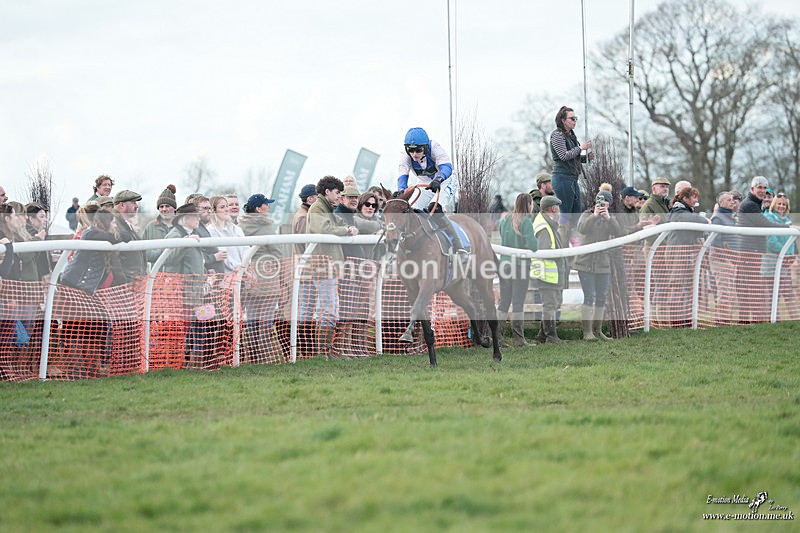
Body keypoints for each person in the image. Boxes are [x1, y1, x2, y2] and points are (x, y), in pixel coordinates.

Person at [397, 127, 468, 263]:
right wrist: (401, 190)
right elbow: (402, 175)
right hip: (425, 183)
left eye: (418, 150)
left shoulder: (434, 147)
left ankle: (459, 247)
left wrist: (438, 179)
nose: (414, 154)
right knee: (414, 212)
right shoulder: (405, 155)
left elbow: (446, 167)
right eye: (411, 150)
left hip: (445, 181)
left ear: (425, 147)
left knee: (435, 209)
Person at [306, 175, 359, 358]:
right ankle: (323, 352)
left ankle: (327, 350)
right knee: (327, 309)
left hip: (330, 266)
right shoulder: (317, 208)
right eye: (337, 193)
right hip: (323, 266)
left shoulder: (327, 208)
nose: (339, 197)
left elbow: (340, 223)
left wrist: (347, 228)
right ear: (327, 192)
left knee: (331, 309)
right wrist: (346, 230)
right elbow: (324, 229)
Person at [238, 193, 287, 360]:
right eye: (266, 204)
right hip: (268, 275)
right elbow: (277, 253)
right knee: (266, 320)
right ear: (259, 209)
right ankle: (265, 355)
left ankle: (252, 355)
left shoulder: (240, 226)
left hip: (249, 274)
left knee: (251, 319)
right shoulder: (266, 226)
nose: (269, 207)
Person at [162, 203, 211, 367]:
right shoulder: (175, 235)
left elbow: (195, 261)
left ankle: (189, 362)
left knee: (194, 326)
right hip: (182, 292)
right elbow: (169, 259)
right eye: (195, 216)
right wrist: (185, 242)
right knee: (182, 328)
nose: (199, 218)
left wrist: (206, 273)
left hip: (194, 290)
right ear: (185, 218)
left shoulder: (191, 234)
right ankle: (177, 362)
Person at [574, 184, 623, 340]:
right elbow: (581, 228)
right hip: (585, 262)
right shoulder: (586, 214)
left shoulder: (610, 218)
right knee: (589, 296)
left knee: (601, 297)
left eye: (606, 203)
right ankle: (587, 332)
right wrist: (594, 216)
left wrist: (608, 218)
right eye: (601, 202)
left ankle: (598, 331)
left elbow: (618, 232)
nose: (603, 206)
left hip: (603, 263)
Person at [663, 187, 709, 326]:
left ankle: (686, 319)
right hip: (677, 253)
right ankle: (676, 321)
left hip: (686, 253)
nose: (696, 200)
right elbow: (692, 220)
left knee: (688, 287)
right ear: (685, 198)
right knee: (677, 286)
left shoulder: (687, 211)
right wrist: (704, 219)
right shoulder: (678, 211)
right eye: (694, 197)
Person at [497, 193, 538, 347]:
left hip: (504, 264)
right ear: (528, 204)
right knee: (518, 303)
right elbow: (532, 246)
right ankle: (519, 339)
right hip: (520, 266)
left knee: (504, 302)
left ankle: (498, 337)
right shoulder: (526, 221)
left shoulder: (505, 219)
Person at [549, 106, 593, 248]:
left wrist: (585, 158)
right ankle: (562, 245)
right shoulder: (557, 135)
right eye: (572, 118)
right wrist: (580, 148)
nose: (575, 121)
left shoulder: (571, 136)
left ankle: (574, 242)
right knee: (565, 214)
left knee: (576, 212)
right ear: (563, 120)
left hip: (573, 178)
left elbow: (573, 158)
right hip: (562, 178)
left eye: (576, 118)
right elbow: (563, 156)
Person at [532, 195, 569, 344]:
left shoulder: (546, 223)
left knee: (554, 303)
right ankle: (551, 336)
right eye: (557, 208)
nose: (559, 211)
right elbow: (544, 251)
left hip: (551, 273)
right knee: (550, 305)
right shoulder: (544, 227)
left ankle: (542, 336)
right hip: (547, 274)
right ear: (553, 208)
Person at [761, 194, 797, 319]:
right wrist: (786, 254)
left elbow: (791, 240)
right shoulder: (768, 218)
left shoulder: (787, 220)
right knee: (772, 296)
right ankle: (773, 322)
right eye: (779, 203)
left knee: (788, 294)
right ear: (774, 204)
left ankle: (795, 320)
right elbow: (771, 242)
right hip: (771, 264)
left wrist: (791, 256)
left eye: (784, 204)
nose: (781, 206)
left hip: (785, 263)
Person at [709, 191, 739, 324]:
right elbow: (715, 242)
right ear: (721, 202)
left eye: (733, 199)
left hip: (731, 260)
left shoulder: (730, 217)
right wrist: (727, 258)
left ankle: (727, 320)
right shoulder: (718, 218)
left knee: (730, 293)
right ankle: (721, 322)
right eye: (729, 200)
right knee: (725, 292)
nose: (732, 201)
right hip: (721, 260)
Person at [112, 190, 147, 281]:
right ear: (122, 205)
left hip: (134, 281)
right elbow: (113, 257)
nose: (136, 206)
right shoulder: (113, 224)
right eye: (133, 202)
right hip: (126, 283)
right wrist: (122, 280)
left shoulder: (125, 224)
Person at [207, 195, 246, 273]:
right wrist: (239, 268)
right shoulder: (211, 230)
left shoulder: (236, 229)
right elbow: (223, 255)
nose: (226, 209)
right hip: (226, 274)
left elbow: (246, 249)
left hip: (243, 273)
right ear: (214, 211)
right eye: (222, 207)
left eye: (227, 206)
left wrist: (246, 266)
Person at [188, 195, 227, 273]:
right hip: (205, 277)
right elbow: (192, 257)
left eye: (210, 208)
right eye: (205, 208)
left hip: (214, 277)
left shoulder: (202, 227)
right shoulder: (194, 229)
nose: (209, 211)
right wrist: (214, 257)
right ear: (195, 210)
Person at [141, 184, 178, 265]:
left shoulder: (182, 226)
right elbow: (142, 251)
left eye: (167, 206)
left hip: (178, 272)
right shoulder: (150, 227)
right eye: (161, 206)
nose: (164, 209)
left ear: (174, 208)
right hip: (157, 272)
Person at [292, 184, 318, 256]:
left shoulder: (303, 214)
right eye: (318, 197)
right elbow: (305, 243)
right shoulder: (304, 217)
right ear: (310, 199)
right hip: (305, 259)